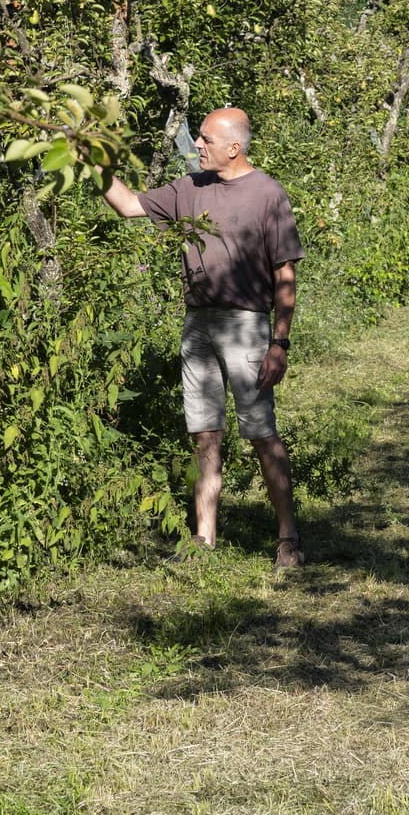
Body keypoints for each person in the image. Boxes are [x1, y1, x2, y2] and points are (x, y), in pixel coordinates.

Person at [102, 106, 305, 569]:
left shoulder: (267, 193)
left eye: (206, 139)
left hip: (247, 325)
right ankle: (203, 539)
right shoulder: (190, 187)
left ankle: (288, 538)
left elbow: (285, 274)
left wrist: (280, 342)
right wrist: (98, 167)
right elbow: (129, 205)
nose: (197, 145)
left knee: (259, 432)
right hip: (198, 323)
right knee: (204, 434)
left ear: (234, 147)